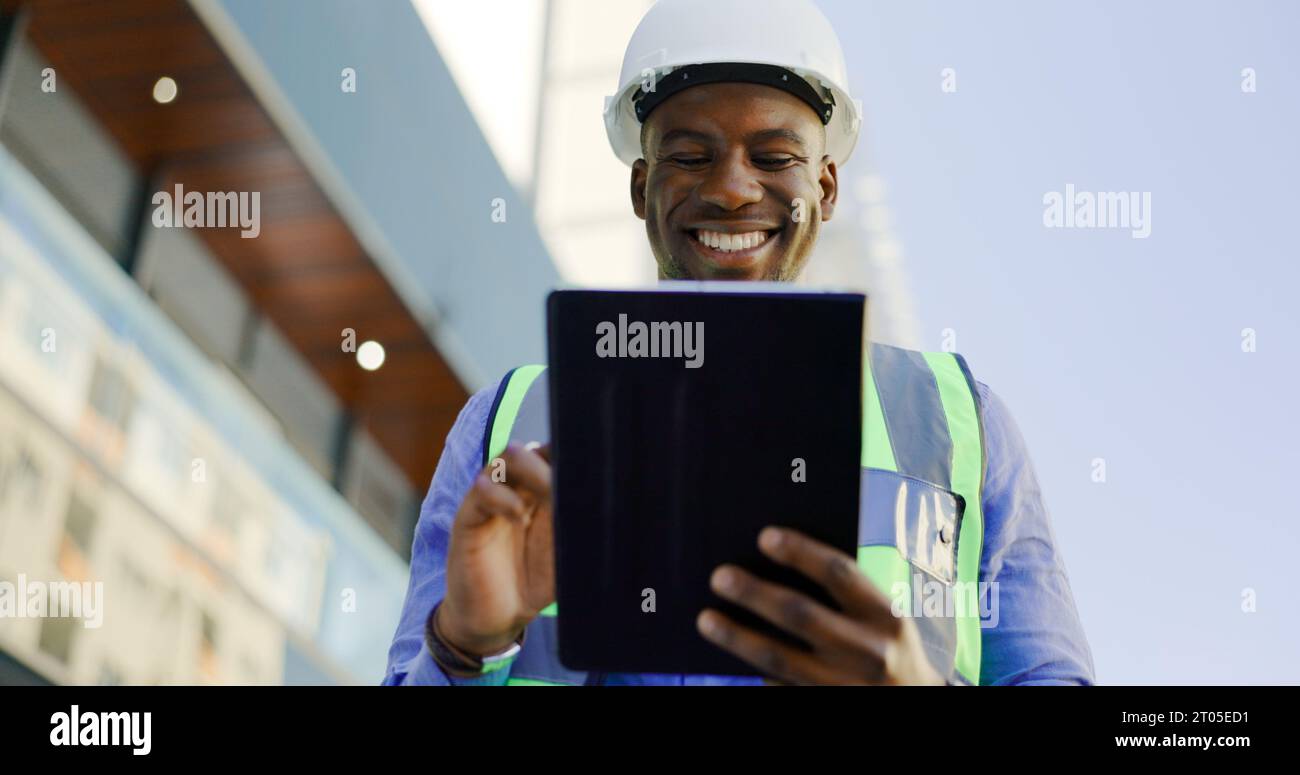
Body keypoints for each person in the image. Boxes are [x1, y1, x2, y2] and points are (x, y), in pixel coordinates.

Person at [383, 0, 1094, 686]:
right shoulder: (503, 421)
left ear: (827, 186)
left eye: (775, 155)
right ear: (641, 188)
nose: (729, 189)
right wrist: (463, 647)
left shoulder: (959, 422)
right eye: (689, 156)